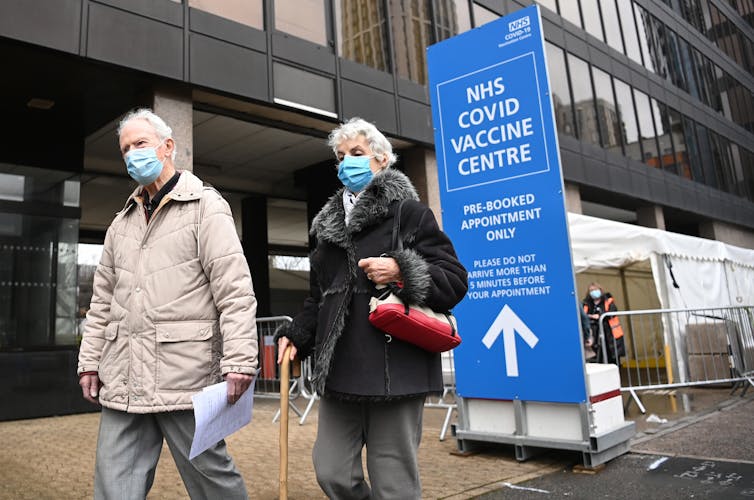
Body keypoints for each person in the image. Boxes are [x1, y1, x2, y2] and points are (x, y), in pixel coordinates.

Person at [275, 117, 467, 499]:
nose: (347, 162)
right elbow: (319, 299)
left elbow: (454, 279)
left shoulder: (409, 213)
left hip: (395, 369)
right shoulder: (327, 228)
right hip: (340, 371)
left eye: (357, 153)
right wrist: (298, 335)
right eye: (341, 156)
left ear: (381, 160)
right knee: (331, 472)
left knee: (393, 483)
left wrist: (401, 269)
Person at [77, 108, 258, 500]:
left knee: (214, 484)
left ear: (168, 146)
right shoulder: (120, 224)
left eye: (139, 144)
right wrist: (89, 361)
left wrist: (241, 359)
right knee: (113, 488)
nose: (131, 155)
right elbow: (101, 301)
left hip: (185, 377)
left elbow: (235, 290)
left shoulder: (206, 207)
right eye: (125, 149)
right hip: (122, 377)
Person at [582, 282, 625, 365]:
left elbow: (613, 311)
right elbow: (584, 315)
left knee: (612, 359)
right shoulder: (586, 303)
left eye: (596, 290)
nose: (594, 292)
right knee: (597, 360)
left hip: (610, 335)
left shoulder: (608, 301)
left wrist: (600, 316)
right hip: (594, 335)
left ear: (600, 290)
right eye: (591, 290)